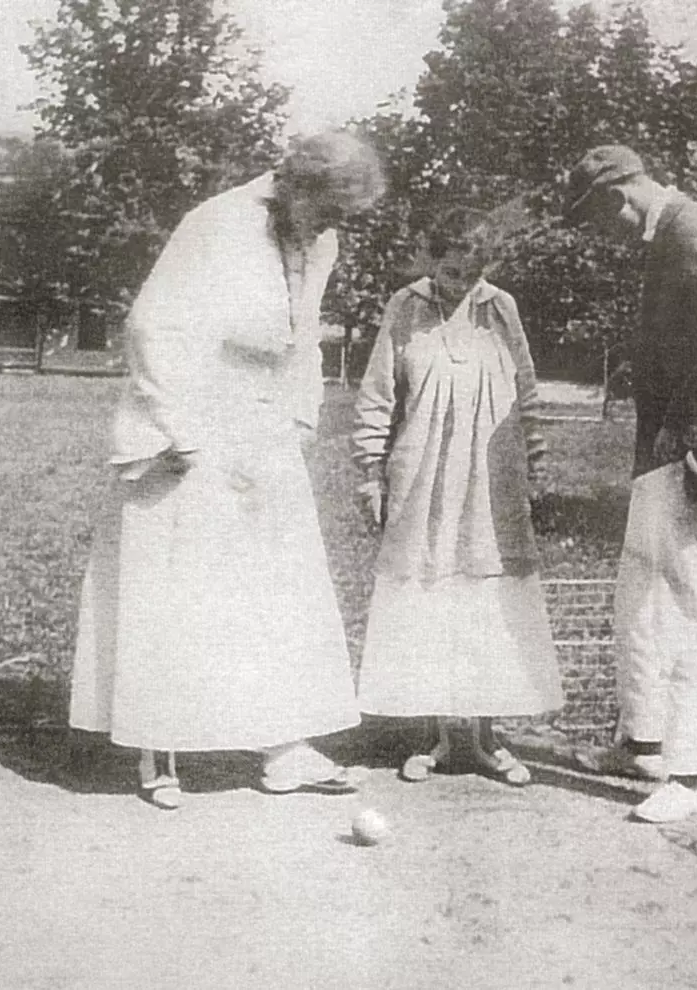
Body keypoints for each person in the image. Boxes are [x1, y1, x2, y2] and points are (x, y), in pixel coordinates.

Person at [68, 131, 386, 809]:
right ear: (297, 186)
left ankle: (281, 746)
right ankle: (161, 748)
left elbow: (304, 337)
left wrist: (301, 418)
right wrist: (176, 429)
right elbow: (152, 327)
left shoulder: (319, 240)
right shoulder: (214, 224)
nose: (333, 228)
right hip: (195, 415)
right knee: (179, 584)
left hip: (265, 424)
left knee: (276, 587)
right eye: (327, 209)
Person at [562, 146, 697, 823]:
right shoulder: (666, 235)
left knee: (686, 606)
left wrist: (683, 428)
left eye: (595, 220)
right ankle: (644, 741)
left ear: (615, 197)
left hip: (696, 451)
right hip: (663, 450)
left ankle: (689, 778)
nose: (601, 235)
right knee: (640, 594)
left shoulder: (692, 227)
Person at [351, 207, 564, 786]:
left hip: (492, 482)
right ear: (429, 257)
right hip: (423, 477)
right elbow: (376, 396)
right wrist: (371, 472)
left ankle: (489, 738)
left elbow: (527, 392)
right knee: (433, 594)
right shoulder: (405, 307)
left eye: (470, 273)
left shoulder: (502, 310)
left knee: (488, 600)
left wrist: (535, 467)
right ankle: (443, 735)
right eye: (448, 271)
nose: (459, 283)